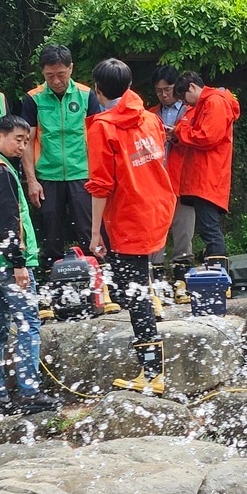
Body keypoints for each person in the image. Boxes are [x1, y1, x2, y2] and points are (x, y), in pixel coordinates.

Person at [86, 59, 176, 394]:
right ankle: (152, 367)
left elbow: (100, 185)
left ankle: (152, 373)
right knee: (139, 288)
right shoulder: (150, 118)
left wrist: (95, 233)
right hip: (157, 206)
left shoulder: (102, 127)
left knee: (134, 295)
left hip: (129, 216)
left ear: (97, 90)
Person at [0, 116, 60, 415]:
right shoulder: (1, 171)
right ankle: (29, 392)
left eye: (25, 141)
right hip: (8, 262)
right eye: (17, 139)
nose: (22, 146)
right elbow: (8, 221)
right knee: (28, 324)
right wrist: (18, 262)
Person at [20, 45, 103, 267]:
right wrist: (32, 181)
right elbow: (26, 143)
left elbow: (99, 138)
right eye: (49, 76)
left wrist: (99, 176)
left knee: (88, 230)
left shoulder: (87, 96)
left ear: (71, 69)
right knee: (51, 234)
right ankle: (53, 285)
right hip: (48, 176)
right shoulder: (33, 99)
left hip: (82, 174)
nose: (56, 81)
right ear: (42, 73)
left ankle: (96, 280)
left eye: (61, 75)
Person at [171, 71, 241, 273]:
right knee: (207, 228)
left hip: (208, 176)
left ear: (192, 87)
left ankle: (219, 275)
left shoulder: (214, 102)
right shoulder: (209, 103)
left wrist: (179, 132)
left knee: (210, 229)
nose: (186, 104)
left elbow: (207, 136)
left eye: (185, 97)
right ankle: (216, 273)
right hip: (205, 176)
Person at [149, 64, 196, 297]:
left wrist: (176, 134)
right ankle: (157, 285)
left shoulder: (191, 110)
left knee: (183, 233)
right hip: (156, 182)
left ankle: (182, 283)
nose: (164, 95)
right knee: (155, 233)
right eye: (159, 91)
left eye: (167, 89)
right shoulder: (149, 114)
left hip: (184, 179)